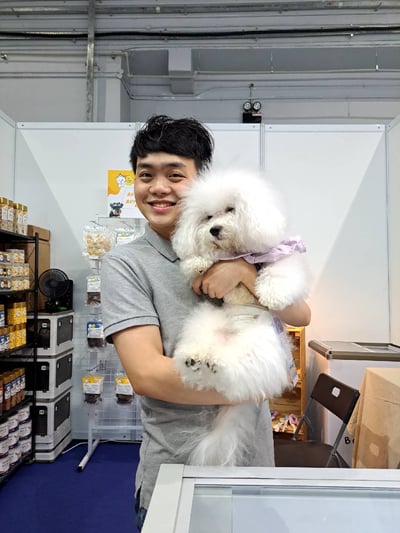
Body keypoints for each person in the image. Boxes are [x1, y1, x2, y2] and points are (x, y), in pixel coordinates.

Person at [101, 115, 311, 531]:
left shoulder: (244, 247)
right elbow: (148, 376)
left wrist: (245, 275)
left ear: (202, 183)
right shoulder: (124, 264)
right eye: (145, 175)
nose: (158, 187)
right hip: (175, 470)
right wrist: (253, 384)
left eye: (175, 174)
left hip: (253, 463)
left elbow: (301, 314)